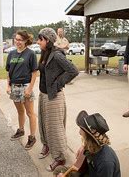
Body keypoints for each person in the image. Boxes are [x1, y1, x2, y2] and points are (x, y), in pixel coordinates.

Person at [36, 27, 79, 172]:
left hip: (54, 96)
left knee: (55, 128)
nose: (38, 42)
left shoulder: (57, 55)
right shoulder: (45, 53)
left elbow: (73, 70)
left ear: (47, 40)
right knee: (43, 124)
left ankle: (60, 157)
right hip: (43, 95)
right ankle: (47, 145)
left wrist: (58, 83)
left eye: (40, 39)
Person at [54, 110, 121, 177]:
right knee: (59, 170)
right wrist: (83, 147)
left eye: (81, 129)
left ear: (89, 137)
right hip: (90, 172)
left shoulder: (105, 163)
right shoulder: (93, 146)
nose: (79, 133)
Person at [6, 30, 38, 150]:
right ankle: (21, 130)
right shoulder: (11, 54)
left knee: (30, 113)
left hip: (25, 86)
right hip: (14, 86)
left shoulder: (30, 54)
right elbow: (9, 72)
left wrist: (30, 88)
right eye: (16, 39)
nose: (17, 41)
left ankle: (32, 137)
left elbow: (34, 72)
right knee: (20, 111)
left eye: (20, 40)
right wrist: (8, 85)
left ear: (25, 41)